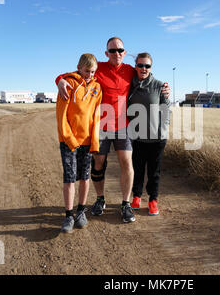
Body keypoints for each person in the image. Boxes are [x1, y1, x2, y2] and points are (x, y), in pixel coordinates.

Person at [56, 37, 170, 223]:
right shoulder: (98, 67)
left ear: (124, 53)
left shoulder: (130, 70)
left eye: (120, 50)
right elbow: (74, 74)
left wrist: (164, 88)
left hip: (123, 126)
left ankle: (126, 204)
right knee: (99, 163)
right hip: (100, 127)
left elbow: (147, 74)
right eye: (112, 51)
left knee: (127, 163)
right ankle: (100, 199)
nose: (116, 53)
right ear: (106, 53)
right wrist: (60, 80)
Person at [56, 54, 102, 233]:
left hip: (88, 142)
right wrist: (70, 139)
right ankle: (68, 215)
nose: (89, 75)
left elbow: (96, 116)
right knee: (69, 178)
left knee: (84, 177)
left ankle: (81, 211)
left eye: (92, 72)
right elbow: (61, 116)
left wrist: (95, 141)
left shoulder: (97, 88)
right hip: (69, 142)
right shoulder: (68, 83)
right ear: (78, 67)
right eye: (86, 71)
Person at [127, 53, 170, 216]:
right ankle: (136, 197)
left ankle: (153, 200)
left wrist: (163, 129)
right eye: (140, 65)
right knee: (137, 169)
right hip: (137, 136)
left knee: (154, 171)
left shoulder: (160, 85)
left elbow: (166, 110)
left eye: (147, 66)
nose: (143, 69)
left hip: (157, 138)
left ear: (151, 68)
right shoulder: (129, 84)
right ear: (135, 66)